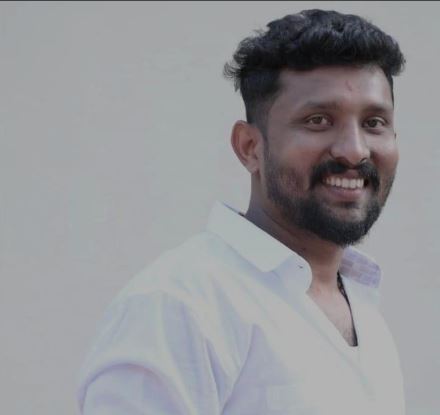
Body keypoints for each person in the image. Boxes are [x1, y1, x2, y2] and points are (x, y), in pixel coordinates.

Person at [77, 9, 406, 414]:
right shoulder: (180, 306)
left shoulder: (362, 306)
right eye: (318, 120)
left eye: (374, 122)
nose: (354, 150)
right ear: (250, 147)